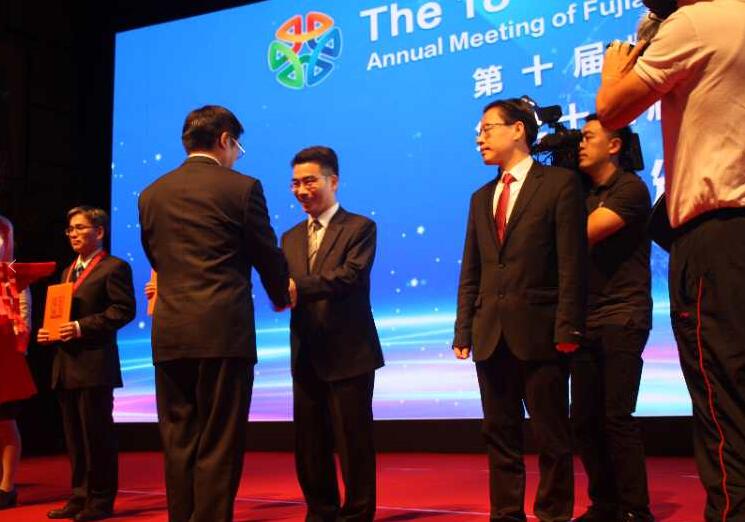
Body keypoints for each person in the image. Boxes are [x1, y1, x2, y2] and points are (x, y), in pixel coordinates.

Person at [596, 1, 745, 520]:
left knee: (724, 399)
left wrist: (616, 68)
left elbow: (612, 110)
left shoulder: (695, 22)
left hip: (719, 238)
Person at [138, 105, 289, 522]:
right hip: (223, 331)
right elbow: (265, 252)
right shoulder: (242, 188)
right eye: (238, 147)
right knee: (220, 441)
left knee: (178, 439)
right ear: (225, 139)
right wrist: (281, 294)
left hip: (170, 332)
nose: (237, 156)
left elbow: (157, 257)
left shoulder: (152, 193)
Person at [453, 98, 587, 522]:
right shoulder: (480, 197)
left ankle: (553, 514)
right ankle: (506, 514)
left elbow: (571, 263)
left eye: (488, 128)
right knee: (499, 434)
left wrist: (568, 326)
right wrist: (463, 329)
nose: (480, 138)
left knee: (552, 436)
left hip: (543, 332)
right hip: (490, 333)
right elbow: (472, 268)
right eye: (478, 131)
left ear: (518, 130)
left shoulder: (559, 184)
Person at [281, 146, 384, 522]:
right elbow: (283, 286)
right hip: (306, 352)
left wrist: (297, 289)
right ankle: (320, 512)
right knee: (310, 444)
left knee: (353, 442)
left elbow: (350, 276)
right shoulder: (290, 237)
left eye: (309, 181)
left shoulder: (359, 228)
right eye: (295, 183)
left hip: (349, 353)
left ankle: (357, 514)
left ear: (333, 181)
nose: (301, 190)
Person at [571, 116, 653, 522]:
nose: (580, 145)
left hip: (623, 314)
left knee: (616, 416)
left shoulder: (630, 188)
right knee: (584, 420)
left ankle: (635, 509)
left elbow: (581, 234)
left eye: (588, 137)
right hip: (584, 318)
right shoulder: (579, 192)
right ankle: (603, 504)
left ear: (615, 145)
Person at [37, 206, 136, 521]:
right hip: (66, 366)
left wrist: (80, 327)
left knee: (97, 436)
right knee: (75, 439)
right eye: (70, 229)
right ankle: (79, 496)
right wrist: (50, 332)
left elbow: (123, 310)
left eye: (80, 228)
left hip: (95, 366)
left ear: (100, 232)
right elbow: (61, 316)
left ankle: (101, 500)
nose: (73, 234)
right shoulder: (68, 271)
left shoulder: (114, 267)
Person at [0, 216, 34, 510]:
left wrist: (17, 350)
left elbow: (23, 319)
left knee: (5, 423)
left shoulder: (12, 275)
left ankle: (7, 487)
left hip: (5, 361)